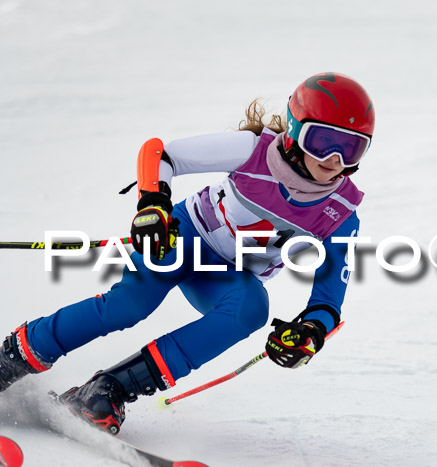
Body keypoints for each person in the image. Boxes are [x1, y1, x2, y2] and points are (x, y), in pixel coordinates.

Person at [0, 72, 374, 435]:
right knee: (129, 306)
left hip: (225, 276)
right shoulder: (255, 152)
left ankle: (109, 388)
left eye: (352, 147)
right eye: (322, 141)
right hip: (182, 239)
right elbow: (161, 154)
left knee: (250, 309)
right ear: (294, 130)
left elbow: (328, 302)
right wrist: (153, 204)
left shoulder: (341, 212)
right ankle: (13, 357)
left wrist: (308, 332)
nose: (335, 160)